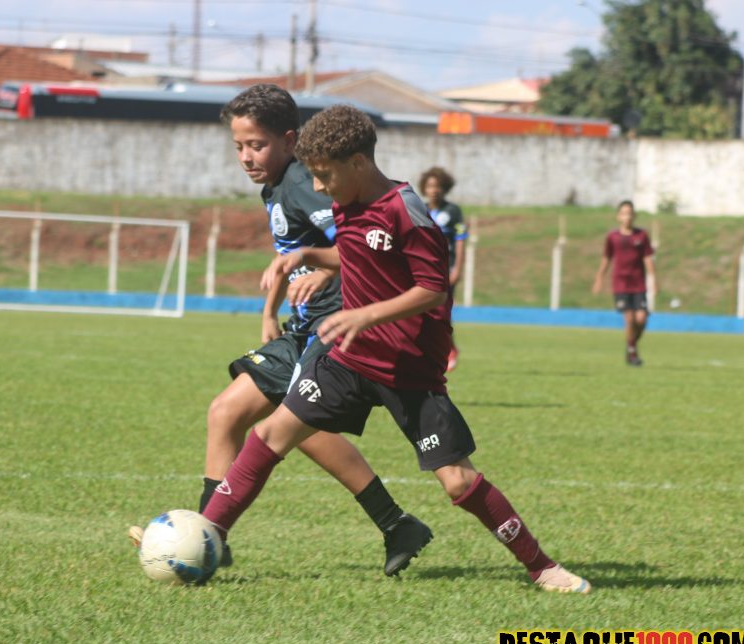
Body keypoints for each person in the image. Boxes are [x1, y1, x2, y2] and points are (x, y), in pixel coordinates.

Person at [199, 104, 591, 593]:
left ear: (358, 163)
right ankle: (206, 536)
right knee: (271, 434)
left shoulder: (406, 210)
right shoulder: (346, 198)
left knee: (458, 481)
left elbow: (433, 290)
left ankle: (543, 567)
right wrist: (311, 256)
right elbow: (355, 250)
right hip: (347, 358)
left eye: (324, 175)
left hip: (409, 370)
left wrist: (364, 314)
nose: (317, 187)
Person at [131, 85, 432, 577]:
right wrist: (269, 311)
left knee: (281, 424)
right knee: (238, 415)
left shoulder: (299, 183)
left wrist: (325, 271)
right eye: (239, 146)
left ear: (289, 141)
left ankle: (212, 534)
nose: (246, 157)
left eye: (257, 145)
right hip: (304, 326)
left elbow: (359, 241)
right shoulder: (277, 186)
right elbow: (288, 254)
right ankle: (214, 534)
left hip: (335, 326)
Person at [592, 200, 657, 366]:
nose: (627, 217)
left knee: (641, 319)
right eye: (624, 213)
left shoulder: (641, 236)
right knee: (629, 319)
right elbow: (607, 258)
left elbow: (647, 258)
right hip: (621, 283)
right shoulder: (613, 237)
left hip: (638, 283)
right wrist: (599, 277)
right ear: (618, 216)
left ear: (634, 216)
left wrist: (653, 279)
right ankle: (632, 352)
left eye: (629, 213)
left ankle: (631, 345)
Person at [420, 167, 467, 371]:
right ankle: (431, 350)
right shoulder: (420, 209)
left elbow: (460, 240)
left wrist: (457, 268)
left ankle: (449, 349)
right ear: (424, 188)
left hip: (445, 269)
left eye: (438, 186)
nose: (434, 190)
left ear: (444, 188)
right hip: (423, 269)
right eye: (430, 186)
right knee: (422, 311)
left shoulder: (453, 211)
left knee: (441, 311)